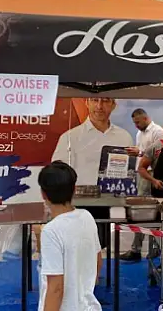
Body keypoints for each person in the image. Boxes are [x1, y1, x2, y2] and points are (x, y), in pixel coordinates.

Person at [51, 97, 132, 249]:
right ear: (87, 103)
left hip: (110, 204)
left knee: (102, 247)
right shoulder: (70, 137)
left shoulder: (124, 137)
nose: (99, 106)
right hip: (78, 205)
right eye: (95, 100)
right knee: (78, 249)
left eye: (105, 101)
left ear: (113, 105)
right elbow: (57, 172)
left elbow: (129, 172)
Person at [37, 161, 102, 311]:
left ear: (43, 194)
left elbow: (56, 288)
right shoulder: (87, 216)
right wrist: (83, 290)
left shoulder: (51, 231)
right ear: (74, 189)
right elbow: (97, 260)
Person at [121, 108, 163, 262]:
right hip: (142, 174)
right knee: (142, 213)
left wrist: (139, 153)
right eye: (134, 123)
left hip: (152, 175)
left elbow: (159, 156)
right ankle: (143, 249)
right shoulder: (139, 133)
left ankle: (146, 249)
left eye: (138, 122)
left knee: (149, 213)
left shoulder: (158, 132)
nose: (136, 125)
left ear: (146, 118)